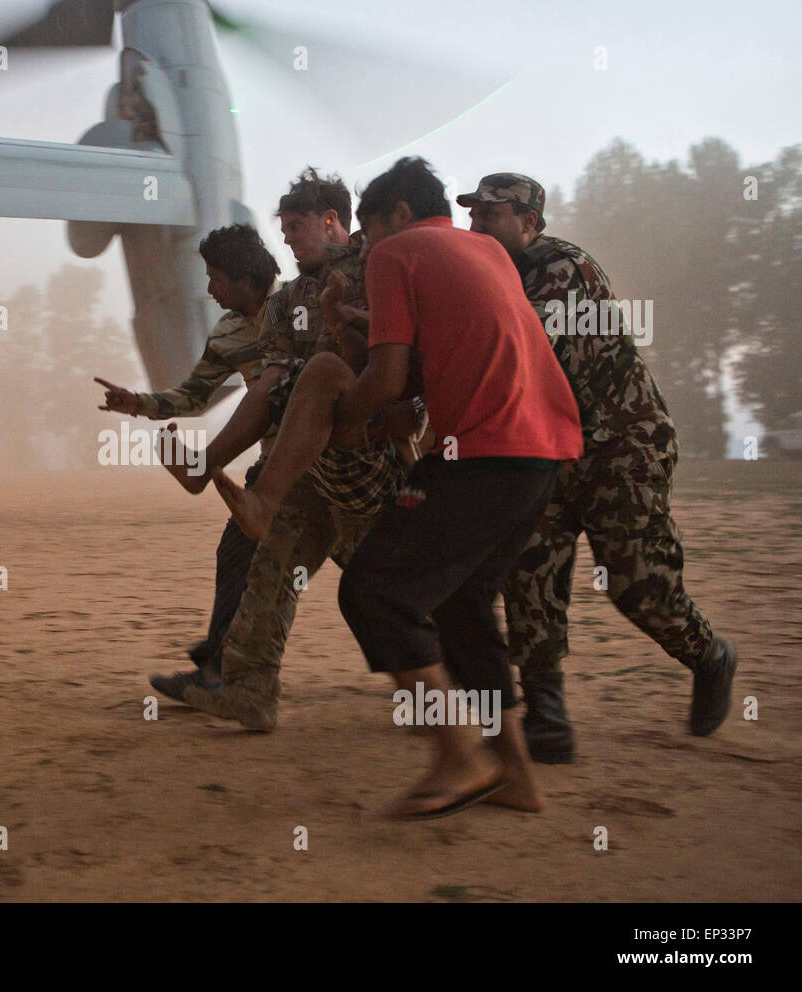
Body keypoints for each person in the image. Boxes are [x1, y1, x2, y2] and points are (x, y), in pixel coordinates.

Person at [296, 157, 583, 818]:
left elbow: (389, 380)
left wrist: (336, 422)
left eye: (367, 231)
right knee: (462, 606)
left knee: (374, 591)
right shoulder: (483, 251)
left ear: (395, 216)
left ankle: (458, 755)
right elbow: (446, 348)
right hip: (542, 455)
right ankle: (516, 775)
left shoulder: (396, 253)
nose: (366, 248)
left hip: (484, 454)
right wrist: (359, 326)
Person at [462, 173, 738, 762]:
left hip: (624, 446)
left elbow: (514, 347)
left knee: (639, 585)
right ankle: (547, 718)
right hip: (554, 451)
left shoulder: (564, 269)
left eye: (491, 214)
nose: (477, 225)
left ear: (529, 223)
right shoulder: (498, 276)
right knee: (530, 571)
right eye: (473, 215)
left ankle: (709, 655)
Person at [169, 169, 407, 731]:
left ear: (331, 222)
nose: (288, 239)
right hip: (310, 464)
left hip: (372, 458)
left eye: (296, 226)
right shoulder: (286, 303)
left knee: (391, 590)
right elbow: (271, 382)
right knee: (272, 564)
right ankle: (250, 689)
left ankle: (445, 692)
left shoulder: (378, 268)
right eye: (284, 228)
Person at [95, 224, 279, 699]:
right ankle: (217, 673)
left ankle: (441, 680)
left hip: (338, 462)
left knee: (375, 573)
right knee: (239, 554)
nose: (210, 290)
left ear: (244, 277)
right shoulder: (230, 332)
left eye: (216, 278)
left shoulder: (300, 310)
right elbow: (195, 396)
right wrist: (138, 403)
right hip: (278, 472)